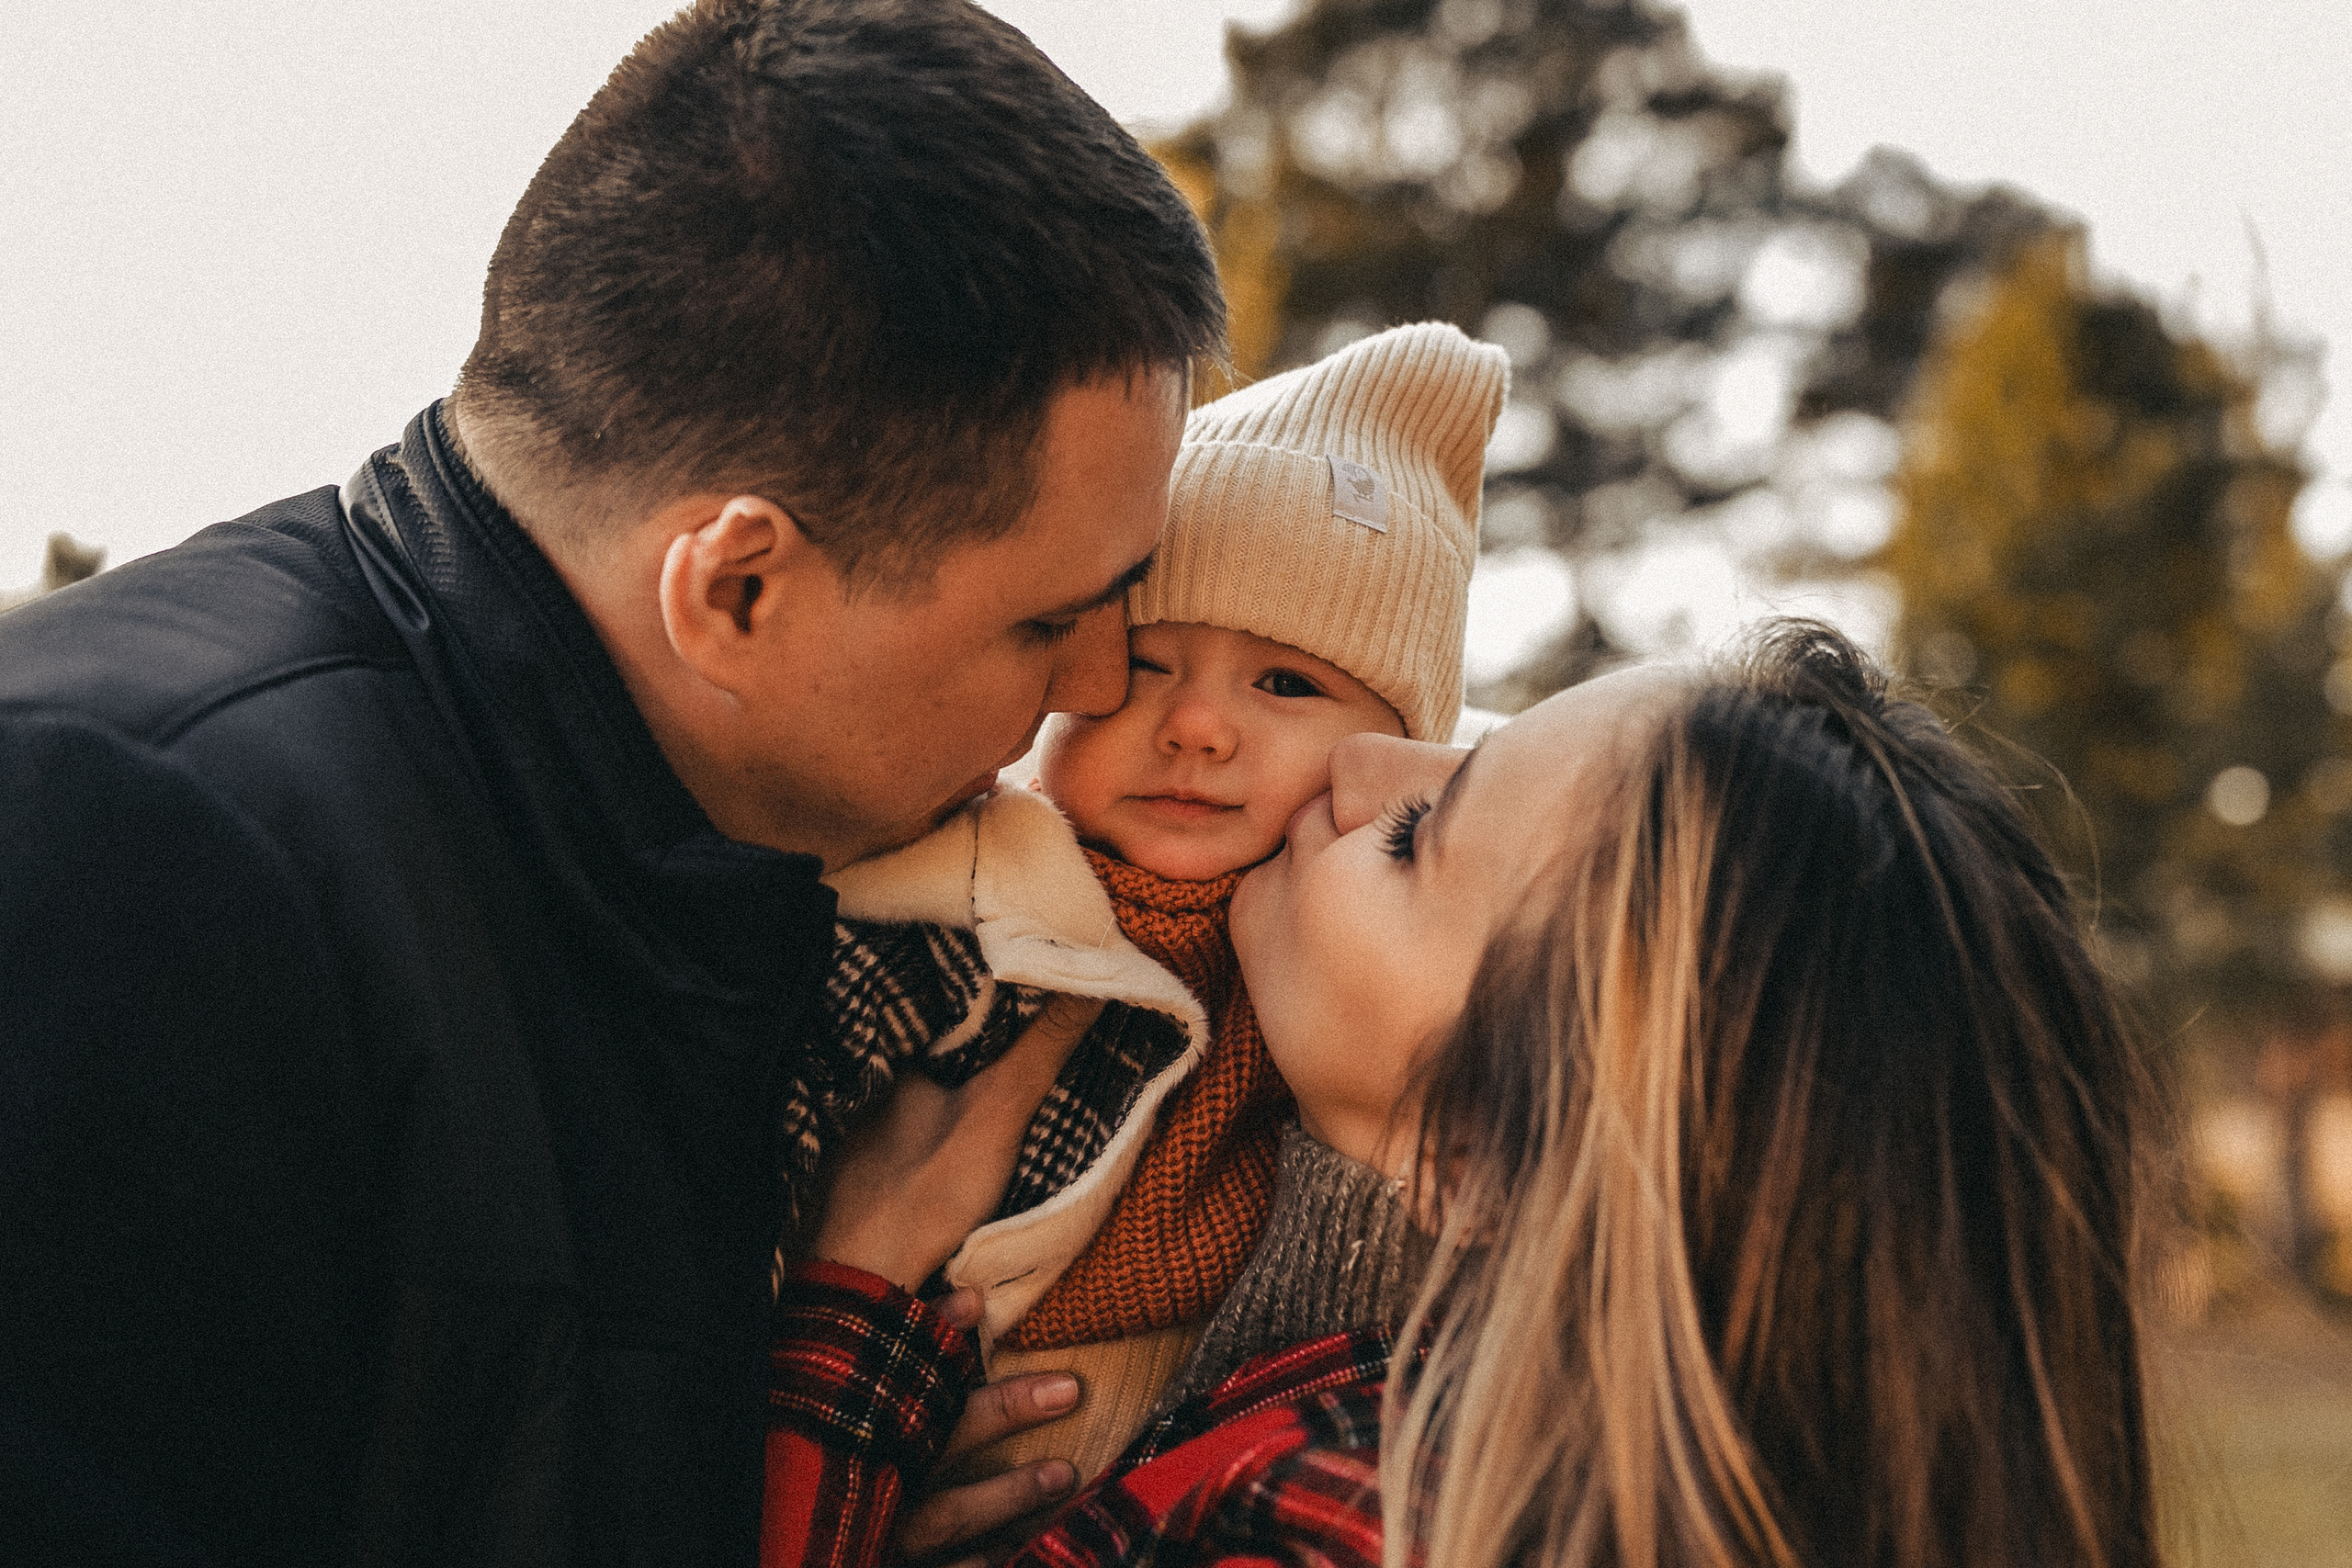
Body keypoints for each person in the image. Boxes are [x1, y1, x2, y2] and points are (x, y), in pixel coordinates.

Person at [0, 2, 1221, 1562]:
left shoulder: (716, 875)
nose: (1103, 682)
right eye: (1046, 618)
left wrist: (794, 1487)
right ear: (737, 594)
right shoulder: (123, 873)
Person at [765, 622, 2161, 1568]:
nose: (1362, 762)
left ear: (1486, 1148)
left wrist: (844, 1325)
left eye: (1425, 831)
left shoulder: (1367, 1517)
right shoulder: (1405, 1422)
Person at [785, 321, 1507, 1501]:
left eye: (1285, 684)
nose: (1196, 727)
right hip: (841, 1435)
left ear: (1397, 756)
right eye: (1144, 661)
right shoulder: (963, 895)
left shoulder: (1403, 986)